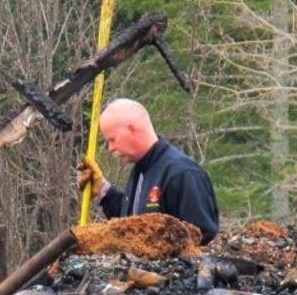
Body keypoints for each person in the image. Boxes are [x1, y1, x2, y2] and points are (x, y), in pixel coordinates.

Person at [77, 98, 219, 243]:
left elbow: (202, 238)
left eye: (112, 140)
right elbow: (132, 227)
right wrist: (104, 192)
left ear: (131, 129)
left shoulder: (182, 173)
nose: (110, 148)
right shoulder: (141, 171)